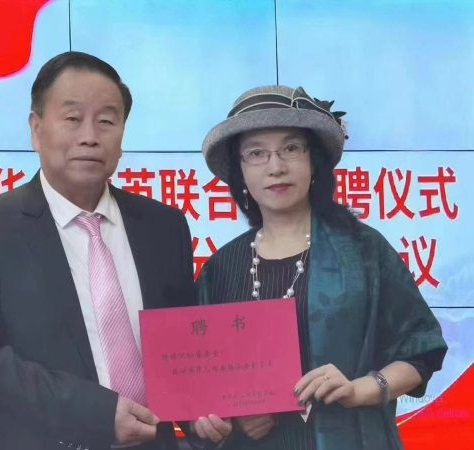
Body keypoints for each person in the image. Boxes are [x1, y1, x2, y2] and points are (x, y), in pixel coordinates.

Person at [0, 51, 196, 450]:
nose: (90, 136)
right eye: (73, 119)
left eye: (106, 121)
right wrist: (95, 413)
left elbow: (186, 347)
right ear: (36, 129)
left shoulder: (164, 226)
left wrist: (204, 417)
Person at [185, 85, 447, 449]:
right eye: (256, 153)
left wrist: (361, 390)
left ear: (314, 164)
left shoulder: (363, 250)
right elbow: (200, 382)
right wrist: (229, 415)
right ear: (239, 172)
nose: (276, 167)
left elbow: (421, 350)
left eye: (291, 148)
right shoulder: (220, 269)